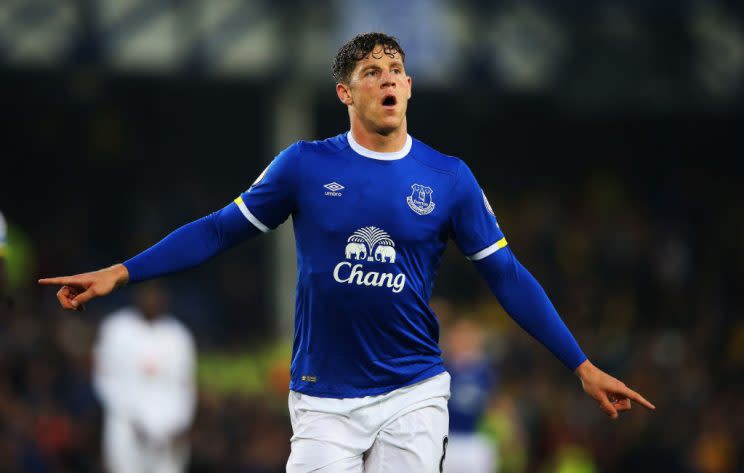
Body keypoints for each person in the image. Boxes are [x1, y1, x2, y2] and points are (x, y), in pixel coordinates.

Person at [40, 32, 655, 473]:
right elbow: (219, 230)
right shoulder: (304, 165)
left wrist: (581, 365)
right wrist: (122, 271)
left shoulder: (449, 178)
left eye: (396, 70)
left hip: (412, 390)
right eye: (372, 72)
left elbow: (508, 277)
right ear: (346, 92)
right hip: (321, 397)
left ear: (410, 87)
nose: (387, 79)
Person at [93, 283, 196, 473]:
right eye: (147, 293)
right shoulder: (117, 329)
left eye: (157, 294)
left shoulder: (178, 335)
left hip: (167, 430)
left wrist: (181, 424)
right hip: (127, 427)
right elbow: (104, 380)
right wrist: (133, 418)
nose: (152, 299)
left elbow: (186, 387)